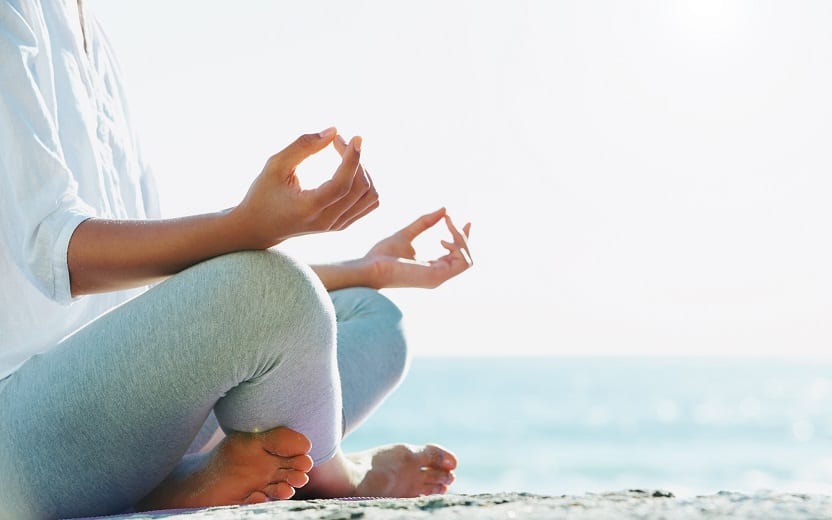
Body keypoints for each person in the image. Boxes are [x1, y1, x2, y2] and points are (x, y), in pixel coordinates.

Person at [0, 1, 473, 518]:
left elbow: (164, 297)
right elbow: (56, 252)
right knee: (272, 290)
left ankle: (184, 478)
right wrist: (247, 225)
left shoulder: (95, 35)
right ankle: (331, 474)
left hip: (120, 415)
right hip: (21, 441)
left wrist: (366, 270)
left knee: (372, 317)